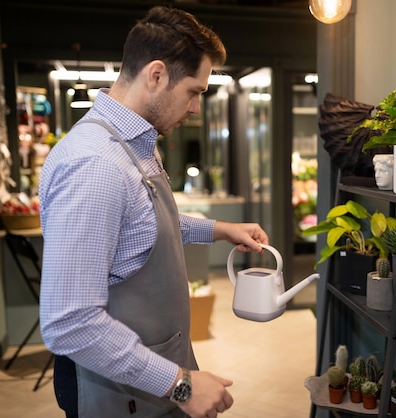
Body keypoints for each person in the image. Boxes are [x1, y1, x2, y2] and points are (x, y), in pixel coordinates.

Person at [38, 6, 268, 418]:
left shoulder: (136, 144)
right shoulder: (95, 164)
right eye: (195, 91)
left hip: (147, 379)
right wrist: (179, 386)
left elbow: (141, 225)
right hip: (118, 393)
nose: (196, 108)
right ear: (157, 75)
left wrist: (219, 229)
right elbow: (69, 321)